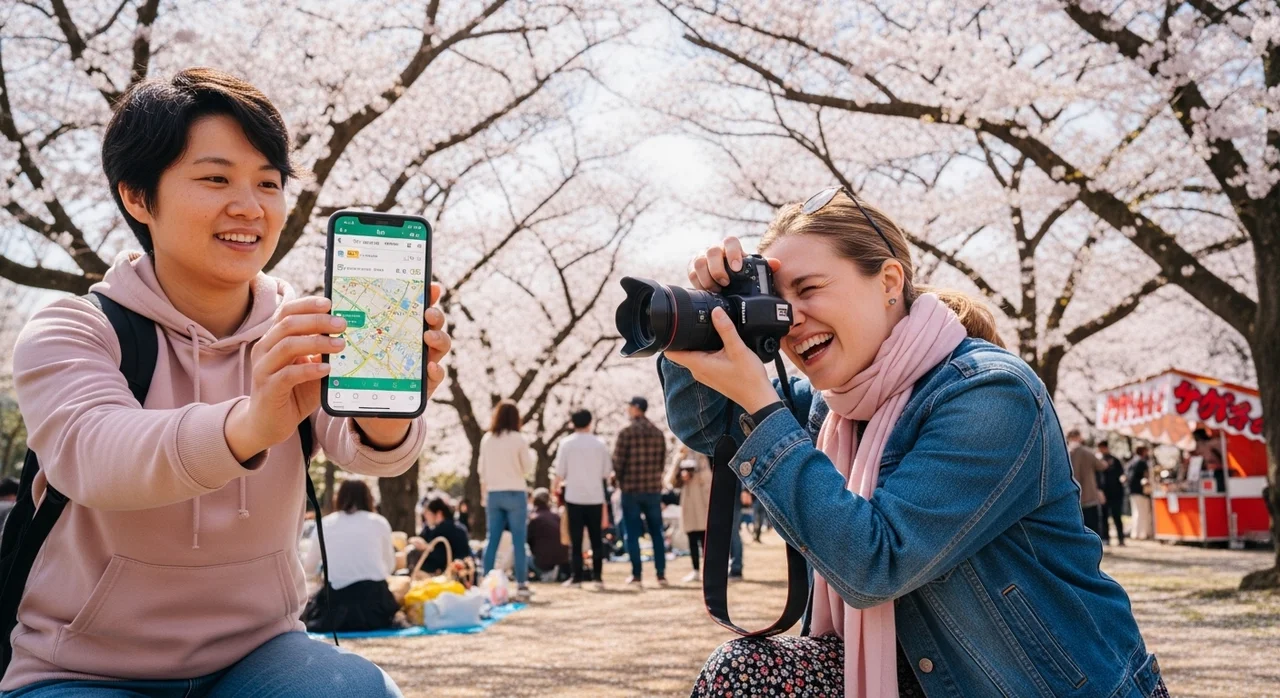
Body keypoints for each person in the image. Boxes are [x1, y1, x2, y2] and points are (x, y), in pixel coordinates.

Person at [6, 68, 450, 696]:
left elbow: (367, 449)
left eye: (267, 183)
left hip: (262, 655)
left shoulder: (301, 325)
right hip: (82, 667)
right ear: (137, 196)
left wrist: (396, 397)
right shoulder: (75, 328)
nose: (250, 206)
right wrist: (250, 424)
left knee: (359, 691)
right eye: (216, 179)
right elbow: (92, 457)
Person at [660, 191, 1163, 697]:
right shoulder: (834, 406)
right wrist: (708, 316)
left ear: (889, 282)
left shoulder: (990, 393)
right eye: (776, 302)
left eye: (808, 289)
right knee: (743, 674)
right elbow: (711, 424)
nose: (789, 319)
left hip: (1041, 686)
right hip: (925, 678)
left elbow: (877, 563)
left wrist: (764, 407)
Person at [301, 480, 399, 632]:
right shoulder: (379, 522)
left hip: (336, 605)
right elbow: (390, 566)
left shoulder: (326, 523)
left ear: (338, 497)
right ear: (369, 498)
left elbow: (309, 567)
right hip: (375, 603)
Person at [478, 400, 534, 601]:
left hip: (494, 493)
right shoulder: (519, 439)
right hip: (515, 492)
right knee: (519, 541)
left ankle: (486, 580)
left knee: (492, 539)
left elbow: (481, 470)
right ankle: (521, 584)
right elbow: (527, 467)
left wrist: (484, 494)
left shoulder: (487, 439)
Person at [552, 409, 612, 587]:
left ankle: (576, 577)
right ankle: (598, 577)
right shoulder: (600, 444)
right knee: (596, 538)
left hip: (574, 496)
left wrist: (554, 490)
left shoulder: (566, 443)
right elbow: (606, 472)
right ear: (590, 422)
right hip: (595, 496)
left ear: (572, 423)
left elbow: (559, 472)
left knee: (576, 539)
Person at [613, 396, 669, 587]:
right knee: (656, 533)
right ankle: (661, 573)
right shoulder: (658, 433)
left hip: (631, 489)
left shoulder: (626, 432)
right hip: (653, 489)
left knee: (632, 532)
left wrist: (619, 481)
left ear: (636, 408)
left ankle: (636, 574)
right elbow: (662, 462)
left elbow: (618, 463)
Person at [667, 445, 711, 583]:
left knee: (705, 538)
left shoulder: (702, 455)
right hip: (688, 500)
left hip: (702, 500)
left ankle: (707, 570)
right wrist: (679, 465)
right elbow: (670, 481)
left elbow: (708, 478)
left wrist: (694, 474)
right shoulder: (680, 455)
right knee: (691, 537)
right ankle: (695, 570)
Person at [409, 496, 473, 576]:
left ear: (438, 514)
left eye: (428, 514)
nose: (426, 517)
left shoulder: (452, 530)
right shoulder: (430, 529)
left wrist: (427, 548)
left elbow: (444, 557)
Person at [1068, 429, 1108, 541]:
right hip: (1089, 493)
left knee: (1077, 524)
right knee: (1092, 523)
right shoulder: (1088, 452)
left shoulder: (1066, 452)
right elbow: (1102, 466)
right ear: (1080, 437)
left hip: (1073, 493)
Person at [525, 488, 570, 583]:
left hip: (542, 562)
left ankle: (540, 574)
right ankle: (552, 572)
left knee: (519, 552)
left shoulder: (534, 518)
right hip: (561, 561)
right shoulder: (556, 516)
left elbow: (526, 540)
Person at [1098, 442, 1127, 546]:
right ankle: (1106, 538)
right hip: (1104, 493)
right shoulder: (1098, 461)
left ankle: (1121, 538)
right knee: (1104, 517)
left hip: (1116, 492)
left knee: (1117, 516)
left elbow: (1122, 473)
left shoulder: (1115, 460)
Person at [1127, 445, 1155, 540]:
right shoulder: (1142, 463)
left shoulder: (1131, 462)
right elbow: (1144, 477)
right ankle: (1142, 533)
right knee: (1142, 512)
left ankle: (1135, 533)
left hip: (1132, 491)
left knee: (1136, 512)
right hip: (1140, 491)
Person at [1193, 427, 1226, 493]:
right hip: (1216, 477)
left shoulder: (1213, 444)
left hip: (1221, 476)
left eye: (1197, 445)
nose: (1197, 450)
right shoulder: (1207, 448)